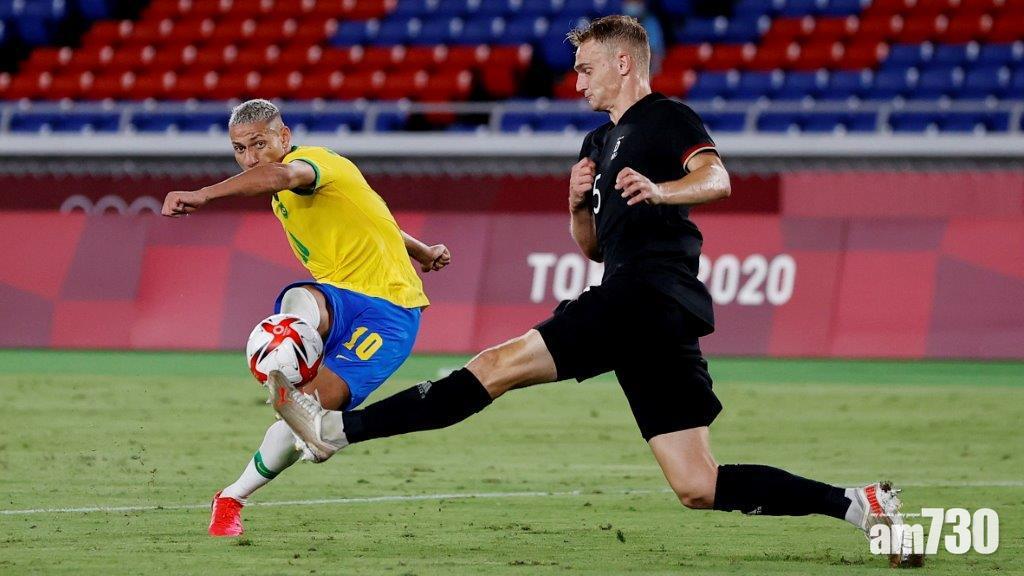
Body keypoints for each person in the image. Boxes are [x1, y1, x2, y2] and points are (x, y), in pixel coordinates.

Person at [268, 16, 915, 566]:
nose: (575, 81)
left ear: (624, 62)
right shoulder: (598, 142)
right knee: (696, 483)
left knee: (494, 367)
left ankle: (335, 429)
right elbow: (595, 248)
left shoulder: (664, 118)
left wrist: (664, 190)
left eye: (584, 69)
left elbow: (717, 179)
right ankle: (860, 504)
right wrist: (578, 205)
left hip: (643, 296)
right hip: (651, 308)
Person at [161, 98, 451, 537]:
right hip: (335, 297)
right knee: (301, 298)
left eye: (259, 144)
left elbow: (281, 174)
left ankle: (247, 478)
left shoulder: (312, 162)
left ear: (284, 137)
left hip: (391, 312)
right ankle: (283, 380)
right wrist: (423, 250)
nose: (250, 157)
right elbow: (375, 218)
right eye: (239, 149)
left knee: (313, 413)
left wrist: (204, 194)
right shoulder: (280, 194)